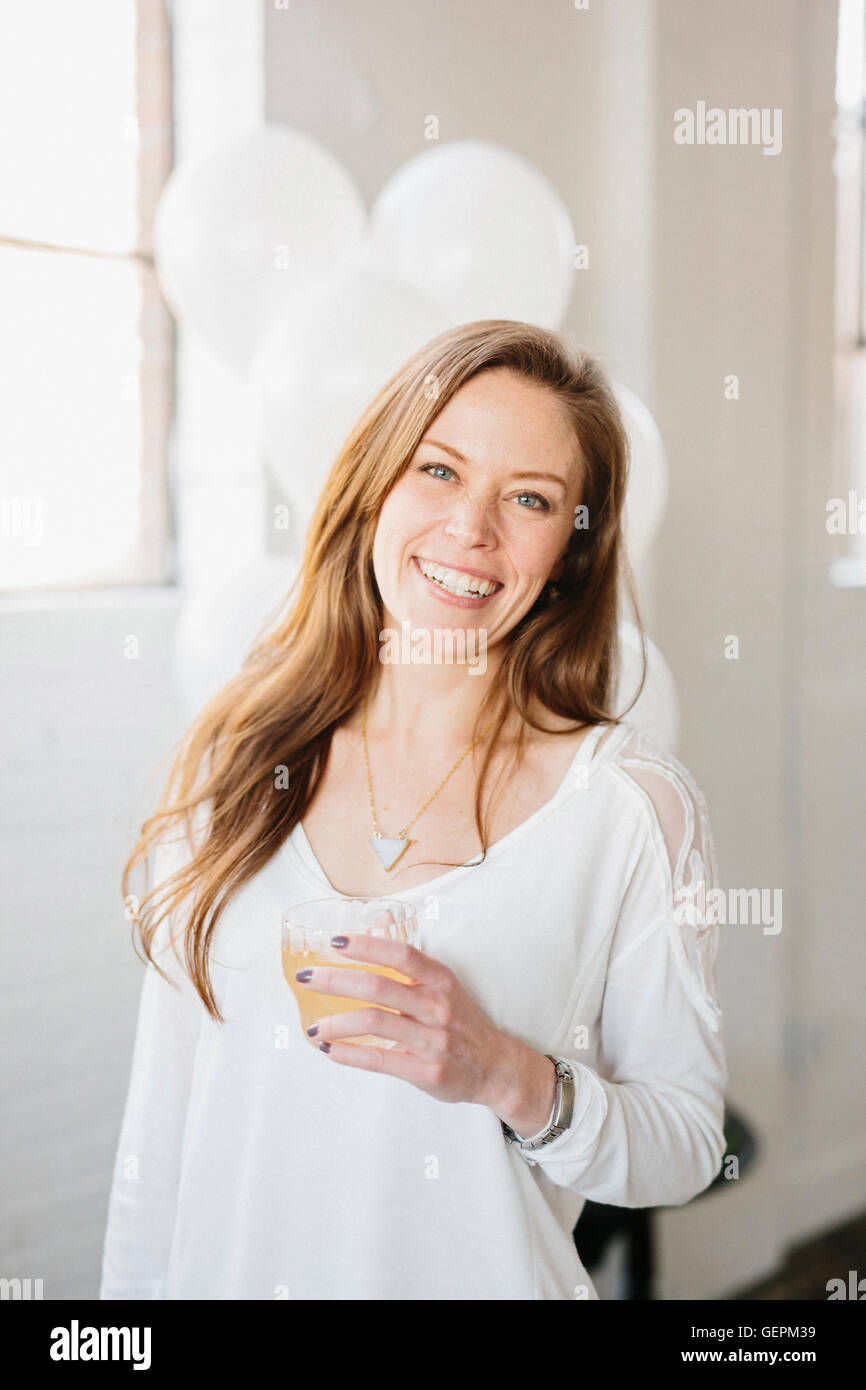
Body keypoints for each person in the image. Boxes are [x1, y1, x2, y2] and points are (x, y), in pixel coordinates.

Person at [99, 320, 726, 1301]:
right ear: (374, 483)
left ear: (567, 550)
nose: (471, 529)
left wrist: (504, 1073)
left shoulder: (626, 809)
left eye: (529, 498)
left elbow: (687, 1144)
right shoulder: (241, 760)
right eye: (437, 470)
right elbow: (160, 1139)